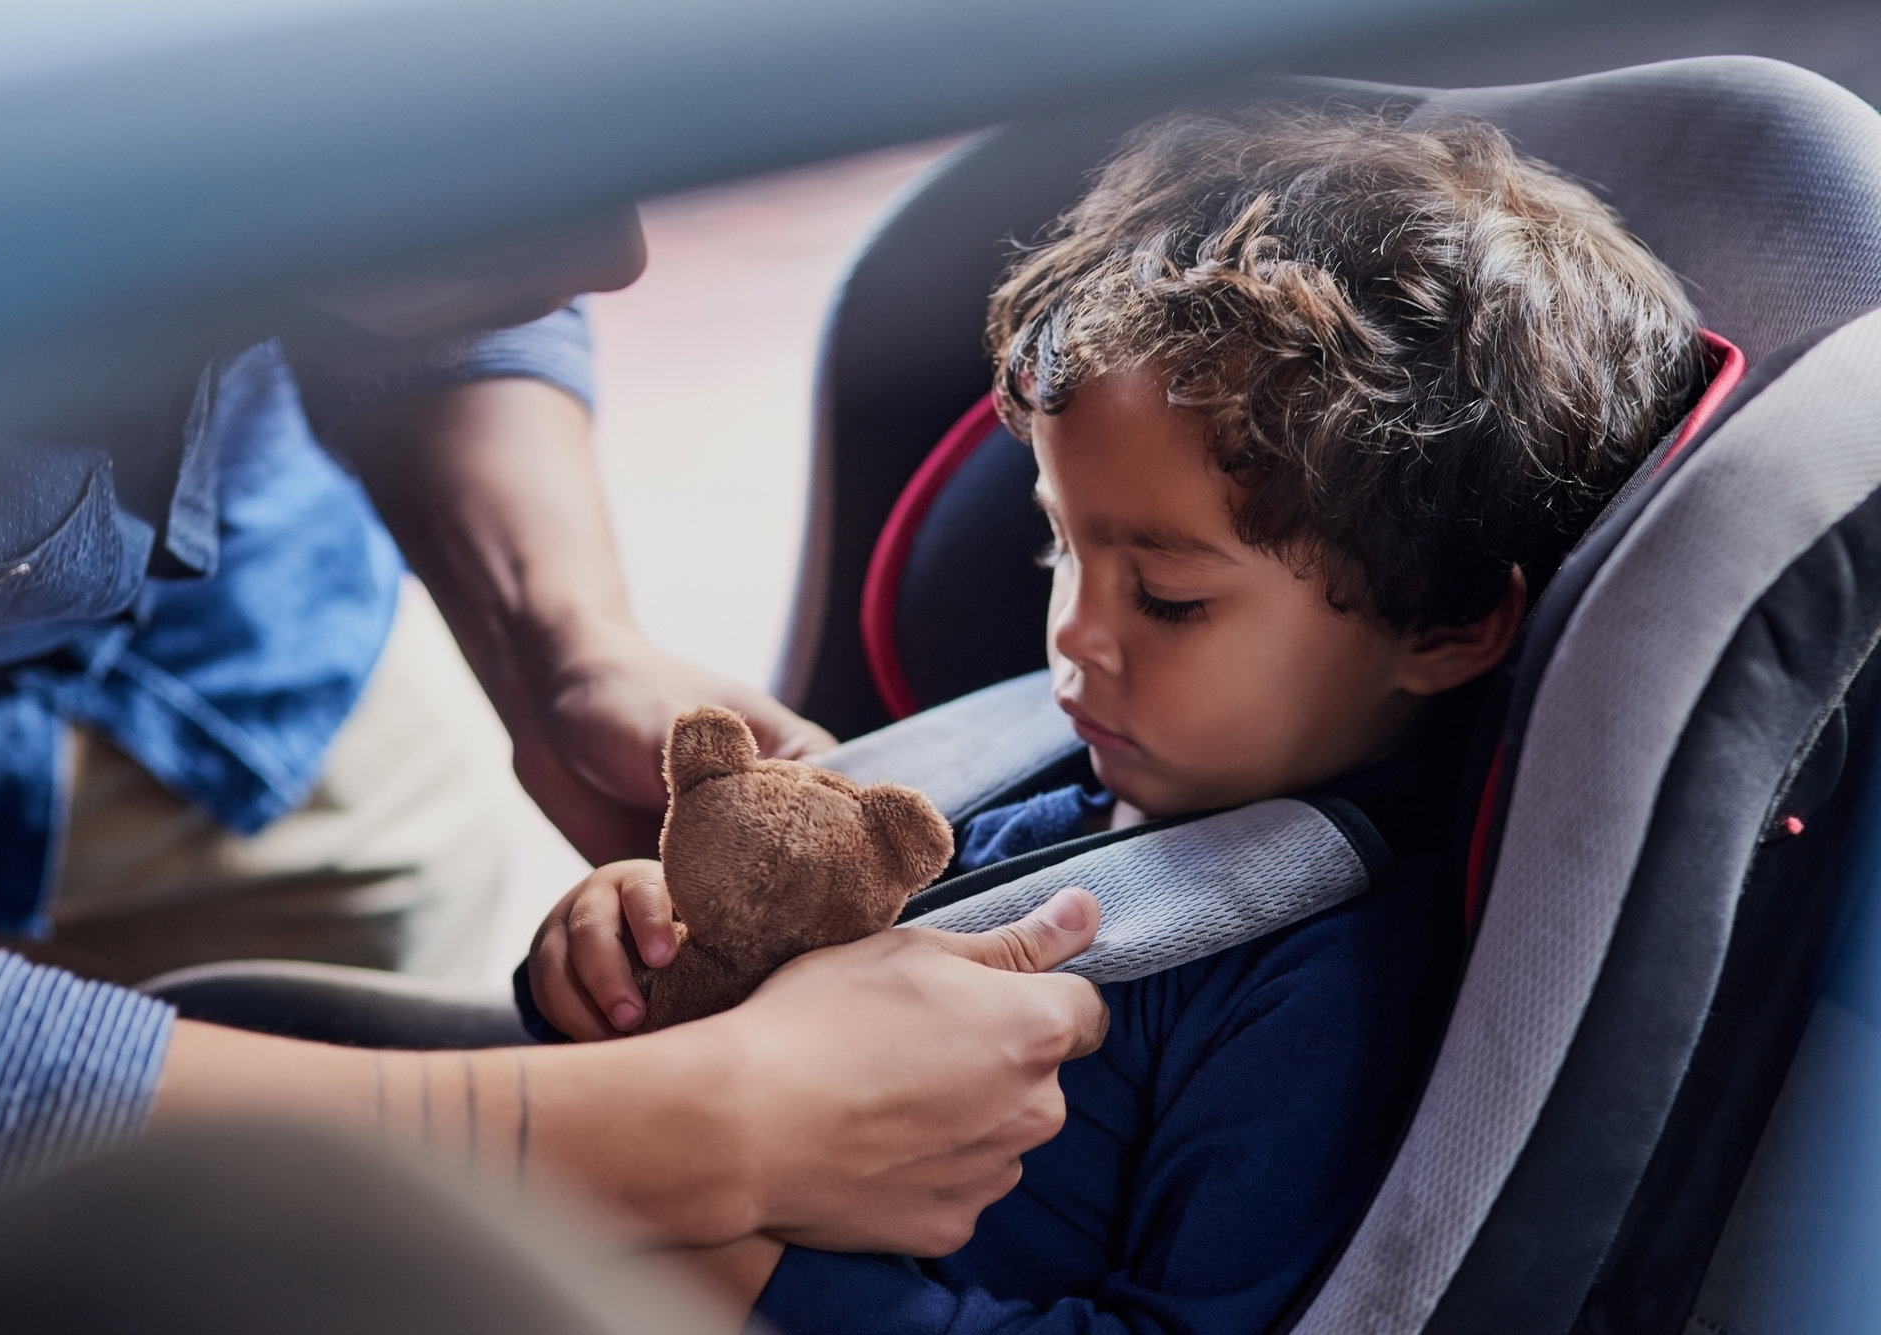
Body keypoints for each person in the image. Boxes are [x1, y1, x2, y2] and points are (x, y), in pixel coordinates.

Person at [528, 107, 1707, 1331]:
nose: (1074, 638)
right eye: (1057, 544)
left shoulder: (1324, 996)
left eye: (1167, 597)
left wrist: (748, 1272)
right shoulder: (1022, 790)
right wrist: (605, 952)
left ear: (1444, 622)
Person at [0, 204, 1110, 1281]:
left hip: (228, 659)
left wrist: (555, 637)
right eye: (544, 165)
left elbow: (419, 267)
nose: (620, 259)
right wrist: (716, 1135)